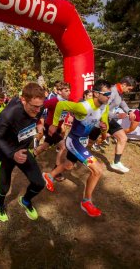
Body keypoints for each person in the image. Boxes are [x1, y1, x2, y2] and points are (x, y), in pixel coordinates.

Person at [43, 79, 111, 217]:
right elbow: (61, 104)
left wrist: (104, 128)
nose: (109, 96)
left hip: (83, 142)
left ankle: (49, 176)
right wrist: (55, 124)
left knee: (68, 165)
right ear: (96, 94)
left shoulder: (105, 106)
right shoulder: (83, 107)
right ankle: (86, 202)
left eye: (110, 93)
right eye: (106, 93)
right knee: (98, 170)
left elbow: (105, 124)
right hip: (73, 141)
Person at [0, 82, 46, 222]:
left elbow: (39, 116)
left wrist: (40, 123)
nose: (38, 110)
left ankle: (26, 200)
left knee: (39, 183)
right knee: (4, 188)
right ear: (23, 100)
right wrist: (12, 154)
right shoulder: (8, 114)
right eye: (34, 107)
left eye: (40, 106)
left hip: (22, 149)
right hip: (5, 154)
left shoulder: (38, 106)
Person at [90, 76, 137, 173]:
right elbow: (103, 109)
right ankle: (75, 155)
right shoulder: (112, 91)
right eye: (129, 89)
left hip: (109, 119)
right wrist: (117, 116)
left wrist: (129, 112)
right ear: (124, 85)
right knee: (89, 143)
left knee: (123, 138)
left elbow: (122, 102)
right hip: (100, 119)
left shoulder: (120, 92)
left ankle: (116, 163)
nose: (129, 91)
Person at [33, 81, 71, 181]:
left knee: (45, 146)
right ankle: (56, 171)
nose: (69, 92)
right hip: (49, 127)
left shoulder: (67, 101)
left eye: (69, 90)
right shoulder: (53, 101)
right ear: (59, 91)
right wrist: (39, 123)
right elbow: (38, 108)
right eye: (66, 90)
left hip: (57, 128)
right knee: (64, 146)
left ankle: (31, 156)